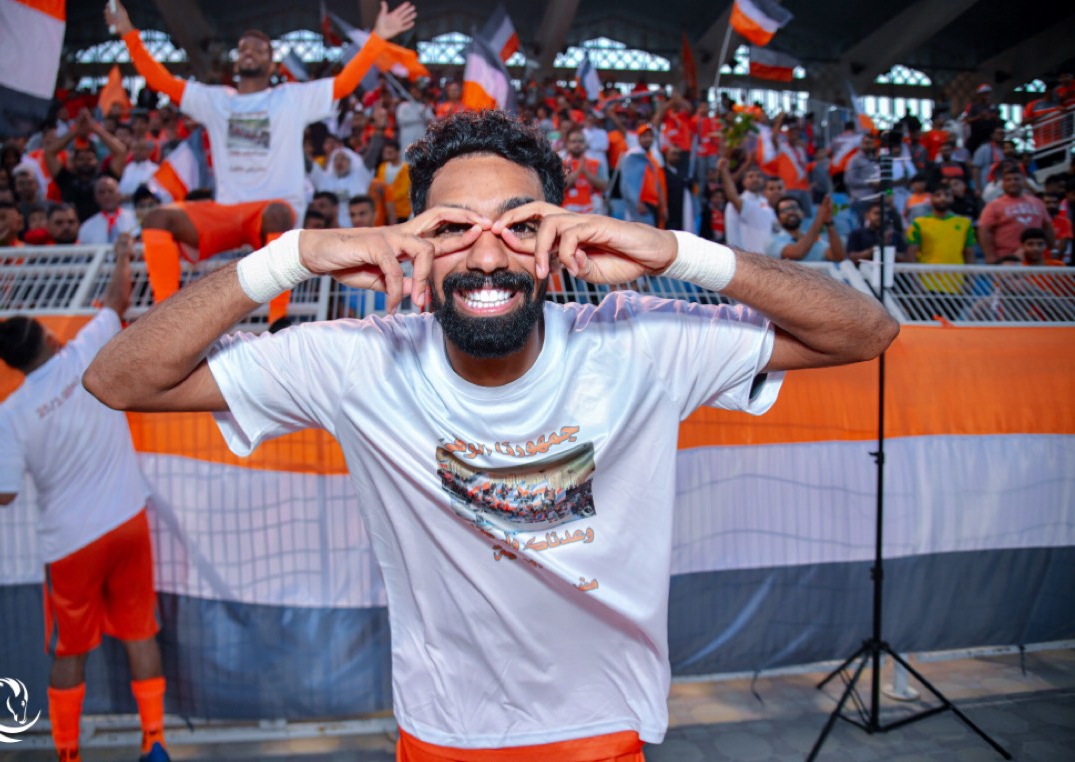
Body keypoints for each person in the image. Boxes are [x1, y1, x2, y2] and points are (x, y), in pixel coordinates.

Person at [83, 110, 897, 760]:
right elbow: (119, 380)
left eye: (518, 224)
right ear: (413, 247)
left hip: (602, 734)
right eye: (452, 228)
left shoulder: (639, 342)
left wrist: (678, 254)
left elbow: (866, 331)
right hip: (442, 738)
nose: (485, 254)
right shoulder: (357, 361)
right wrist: (292, 257)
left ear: (559, 242)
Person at [104, 0, 416, 322]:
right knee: (157, 218)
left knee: (277, 213)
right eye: (243, 48)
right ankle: (163, 315)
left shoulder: (290, 98)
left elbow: (343, 85)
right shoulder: (215, 100)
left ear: (272, 65)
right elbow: (161, 81)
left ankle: (277, 319)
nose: (249, 52)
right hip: (227, 211)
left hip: (273, 212)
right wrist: (128, 33)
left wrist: (377, 38)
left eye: (259, 49)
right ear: (236, 61)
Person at [0, 236, 170, 762]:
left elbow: (2, 494)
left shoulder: (8, 416)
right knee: (140, 633)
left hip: (70, 544)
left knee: (70, 649)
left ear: (14, 364)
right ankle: (155, 742)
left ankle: (67, 753)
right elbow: (117, 299)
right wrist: (121, 255)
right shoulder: (86, 352)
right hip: (127, 520)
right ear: (48, 335)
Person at [978, 165, 1054, 263]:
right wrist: (989, 256)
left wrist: (1051, 248)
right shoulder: (993, 206)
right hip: (1006, 259)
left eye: (1016, 179)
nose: (1013, 182)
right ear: (1003, 184)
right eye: (1008, 180)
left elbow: (1047, 227)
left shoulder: (1037, 203)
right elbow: (984, 231)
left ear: (1023, 181)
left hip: (1035, 258)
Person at [766, 195, 846, 262]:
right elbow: (798, 253)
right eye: (784, 210)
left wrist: (829, 222)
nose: (790, 212)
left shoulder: (814, 240)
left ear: (802, 213)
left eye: (794, 207)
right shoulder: (772, 241)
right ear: (778, 219)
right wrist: (820, 218)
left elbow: (838, 257)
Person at [721, 159, 776, 255]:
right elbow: (731, 196)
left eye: (758, 176)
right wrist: (724, 171)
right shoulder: (739, 202)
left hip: (767, 256)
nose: (755, 179)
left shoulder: (766, 202)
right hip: (746, 256)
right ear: (744, 182)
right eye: (750, 176)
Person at [561, 126, 608, 215]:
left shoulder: (595, 163)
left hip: (592, 212)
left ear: (585, 144)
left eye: (581, 141)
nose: (577, 144)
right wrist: (579, 170)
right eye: (573, 141)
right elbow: (561, 187)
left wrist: (586, 172)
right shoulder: (562, 164)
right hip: (568, 212)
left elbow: (604, 186)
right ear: (567, 144)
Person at [78, 176, 138, 244]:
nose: (106, 196)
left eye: (111, 191)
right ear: (95, 197)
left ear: (119, 195)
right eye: (101, 192)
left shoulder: (135, 219)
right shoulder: (86, 228)